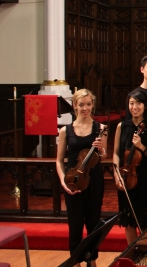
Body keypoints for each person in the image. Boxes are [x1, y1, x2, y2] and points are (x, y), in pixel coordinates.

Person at [56, 89, 107, 267]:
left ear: (92, 105)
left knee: (94, 223)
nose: (85, 108)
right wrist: (63, 181)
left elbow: (104, 156)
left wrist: (101, 149)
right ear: (74, 105)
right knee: (75, 224)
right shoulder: (65, 130)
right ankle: (75, 262)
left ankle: (92, 262)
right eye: (81, 104)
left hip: (94, 180)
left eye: (88, 104)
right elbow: (59, 160)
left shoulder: (100, 129)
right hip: (73, 180)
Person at [113, 89, 147, 244]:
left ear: (144, 106)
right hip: (126, 176)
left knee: (145, 217)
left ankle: (144, 253)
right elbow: (116, 153)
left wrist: (141, 146)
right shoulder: (122, 126)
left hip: (145, 177)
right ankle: (131, 253)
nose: (134, 107)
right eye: (131, 103)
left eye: (138, 103)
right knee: (128, 219)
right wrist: (117, 174)